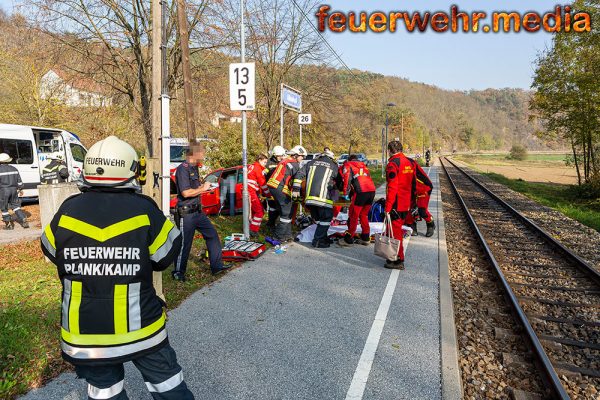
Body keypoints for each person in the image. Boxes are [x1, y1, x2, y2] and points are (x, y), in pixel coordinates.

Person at [40, 135, 194, 400]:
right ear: (131, 170)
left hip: (85, 335)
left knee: (105, 393)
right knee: (168, 386)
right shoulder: (144, 209)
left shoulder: (67, 210)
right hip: (141, 330)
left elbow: (51, 250)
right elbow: (165, 257)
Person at [173, 142, 229, 281]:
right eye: (201, 152)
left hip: (198, 212)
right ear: (194, 153)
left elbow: (196, 189)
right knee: (184, 244)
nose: (203, 155)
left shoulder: (194, 168)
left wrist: (205, 188)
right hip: (186, 214)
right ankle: (178, 273)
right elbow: (185, 193)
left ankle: (216, 266)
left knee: (212, 234)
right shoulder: (182, 169)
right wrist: (203, 189)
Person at [292, 149, 338, 248]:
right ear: (331, 158)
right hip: (323, 199)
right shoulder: (333, 165)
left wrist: (295, 188)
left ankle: (323, 237)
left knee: (318, 220)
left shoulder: (310, 163)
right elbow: (338, 181)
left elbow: (299, 174)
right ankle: (318, 241)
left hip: (309, 199)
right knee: (326, 218)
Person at [384, 141, 416, 270]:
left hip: (396, 203)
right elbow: (414, 183)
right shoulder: (410, 162)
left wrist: (387, 207)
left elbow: (392, 187)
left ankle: (398, 259)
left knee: (395, 232)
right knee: (396, 230)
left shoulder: (393, 164)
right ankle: (394, 256)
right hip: (406, 202)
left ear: (390, 150)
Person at [267, 145, 307, 241]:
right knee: (286, 212)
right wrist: (297, 190)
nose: (303, 159)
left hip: (273, 187)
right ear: (295, 155)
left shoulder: (285, 161)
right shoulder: (294, 164)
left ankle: (287, 234)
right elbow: (297, 178)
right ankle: (278, 236)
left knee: (285, 212)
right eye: (302, 156)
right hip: (280, 188)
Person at [338, 154, 376, 247]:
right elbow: (368, 177)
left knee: (353, 215)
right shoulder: (363, 165)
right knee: (364, 215)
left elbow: (347, 179)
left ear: (349, 159)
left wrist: (345, 193)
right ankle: (365, 237)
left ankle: (349, 239)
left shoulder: (348, 164)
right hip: (371, 191)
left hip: (360, 192)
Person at [405, 160, 435, 237]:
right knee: (408, 208)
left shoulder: (411, 163)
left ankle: (430, 224)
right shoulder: (394, 164)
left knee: (422, 210)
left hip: (423, 188)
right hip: (411, 190)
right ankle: (412, 225)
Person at [0, 152, 28, 230]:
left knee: (4, 208)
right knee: (16, 206)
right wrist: (21, 189)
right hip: (14, 190)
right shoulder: (14, 169)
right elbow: (19, 182)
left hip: (3, 191)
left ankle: (8, 225)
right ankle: (23, 218)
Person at [247, 154, 270, 238]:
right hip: (251, 191)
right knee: (260, 211)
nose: (265, 164)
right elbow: (263, 184)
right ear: (259, 160)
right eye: (264, 162)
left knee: (253, 211)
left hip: (249, 190)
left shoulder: (252, 166)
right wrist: (268, 194)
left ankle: (249, 228)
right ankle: (253, 230)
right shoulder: (257, 168)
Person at [265, 146, 286, 230]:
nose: (280, 157)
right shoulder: (269, 163)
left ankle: (277, 224)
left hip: (280, 189)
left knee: (279, 207)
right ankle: (271, 224)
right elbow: (264, 175)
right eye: (279, 156)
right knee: (273, 207)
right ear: (274, 155)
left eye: (281, 155)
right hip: (271, 189)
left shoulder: (283, 162)